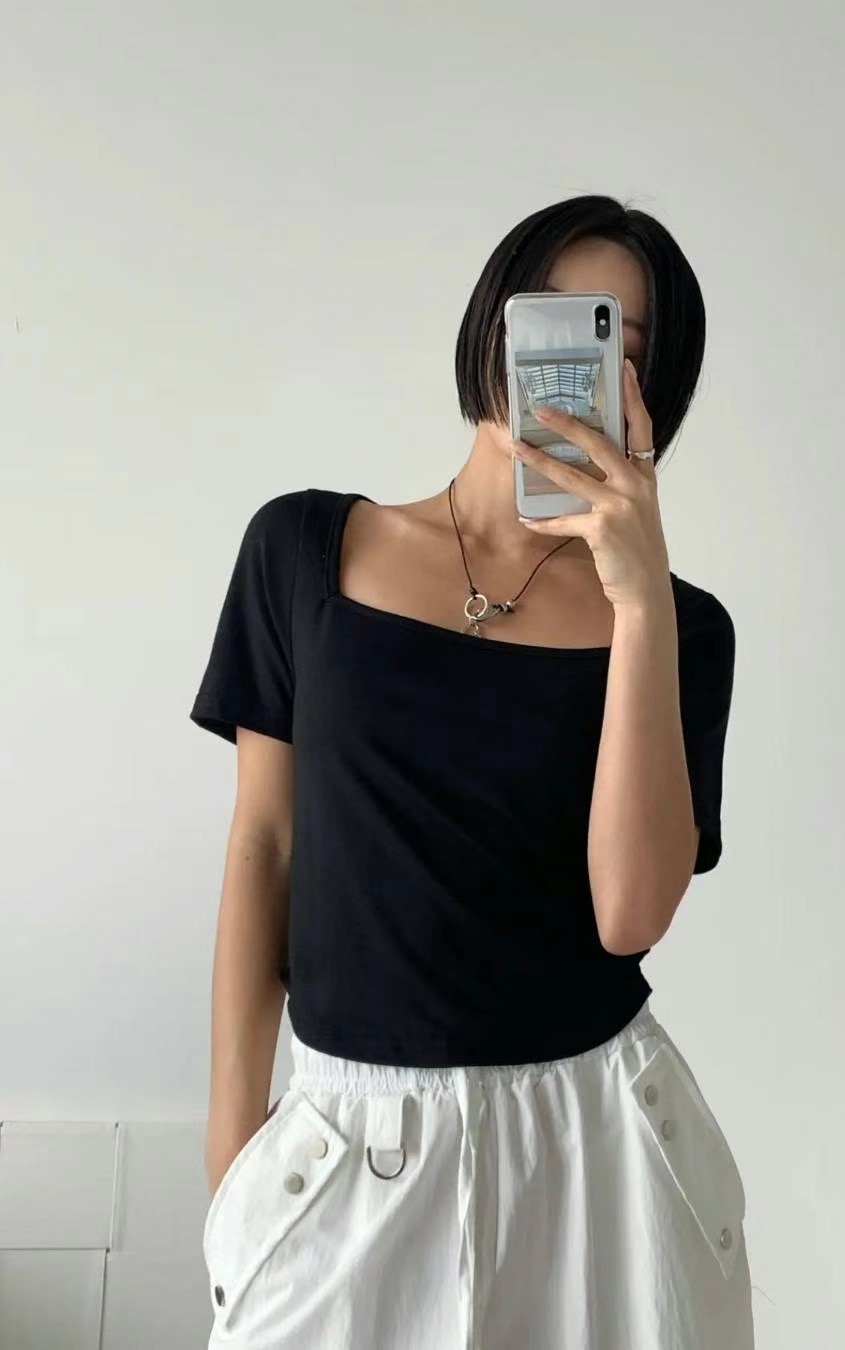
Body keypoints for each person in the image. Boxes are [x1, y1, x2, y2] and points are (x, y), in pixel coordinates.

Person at [190, 193, 753, 1349]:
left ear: (651, 390)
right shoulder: (303, 551)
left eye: (616, 341)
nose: (566, 363)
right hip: (345, 1138)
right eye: (551, 316)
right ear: (494, 322)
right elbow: (264, 845)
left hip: (599, 1144)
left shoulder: (683, 631)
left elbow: (629, 915)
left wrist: (640, 599)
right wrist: (232, 1140)